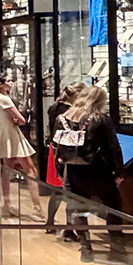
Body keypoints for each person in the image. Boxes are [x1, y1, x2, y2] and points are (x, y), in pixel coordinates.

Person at [55, 85, 129, 263]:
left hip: (73, 169)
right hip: (98, 169)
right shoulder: (101, 119)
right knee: (113, 205)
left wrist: (60, 170)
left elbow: (57, 146)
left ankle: (85, 248)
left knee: (78, 207)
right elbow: (113, 147)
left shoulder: (63, 118)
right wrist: (119, 171)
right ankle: (116, 247)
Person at [0, 75, 40, 215]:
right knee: (31, 171)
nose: (11, 83)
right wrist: (17, 120)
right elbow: (22, 120)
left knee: (7, 171)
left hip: (3, 136)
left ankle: (6, 204)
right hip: (12, 136)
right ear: (1, 84)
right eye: (8, 81)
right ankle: (37, 209)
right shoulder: (4, 99)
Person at [43, 82, 86, 238]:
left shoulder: (55, 107)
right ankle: (69, 228)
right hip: (64, 152)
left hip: (54, 150)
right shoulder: (69, 112)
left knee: (58, 190)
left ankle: (50, 222)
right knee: (68, 190)